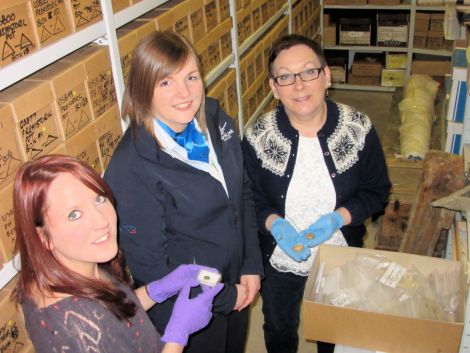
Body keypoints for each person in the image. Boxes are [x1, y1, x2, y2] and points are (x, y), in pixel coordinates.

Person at [103, 31, 263, 353]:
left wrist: (251, 263)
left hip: (235, 281)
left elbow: (242, 193)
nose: (185, 93)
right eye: (166, 82)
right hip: (188, 311)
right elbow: (153, 268)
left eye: (191, 77)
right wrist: (225, 295)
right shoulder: (132, 167)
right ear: (142, 89)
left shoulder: (216, 121)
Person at [241, 34, 391, 353]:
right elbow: (247, 198)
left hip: (339, 255)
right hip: (279, 258)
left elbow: (377, 191)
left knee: (335, 330)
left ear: (326, 76)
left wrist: (339, 218)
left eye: (309, 72)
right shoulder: (257, 137)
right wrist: (274, 225)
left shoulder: (357, 127)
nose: (299, 85)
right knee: (280, 327)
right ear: (273, 87)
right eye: (285, 77)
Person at [11, 154, 224, 353]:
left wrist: (156, 290)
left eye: (99, 199)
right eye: (74, 214)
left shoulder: (80, 265)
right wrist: (179, 334)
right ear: (44, 238)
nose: (102, 221)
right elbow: (99, 322)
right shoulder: (73, 325)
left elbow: (113, 315)